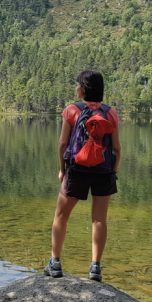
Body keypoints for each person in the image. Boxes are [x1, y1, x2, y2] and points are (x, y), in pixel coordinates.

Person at [43, 70, 121, 282]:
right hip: (104, 171)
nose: (75, 88)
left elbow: (62, 144)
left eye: (77, 84)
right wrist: (113, 171)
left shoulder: (71, 111)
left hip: (77, 169)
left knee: (61, 215)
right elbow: (116, 149)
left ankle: (55, 262)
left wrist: (62, 169)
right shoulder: (110, 113)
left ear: (83, 89)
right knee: (99, 219)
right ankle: (95, 267)